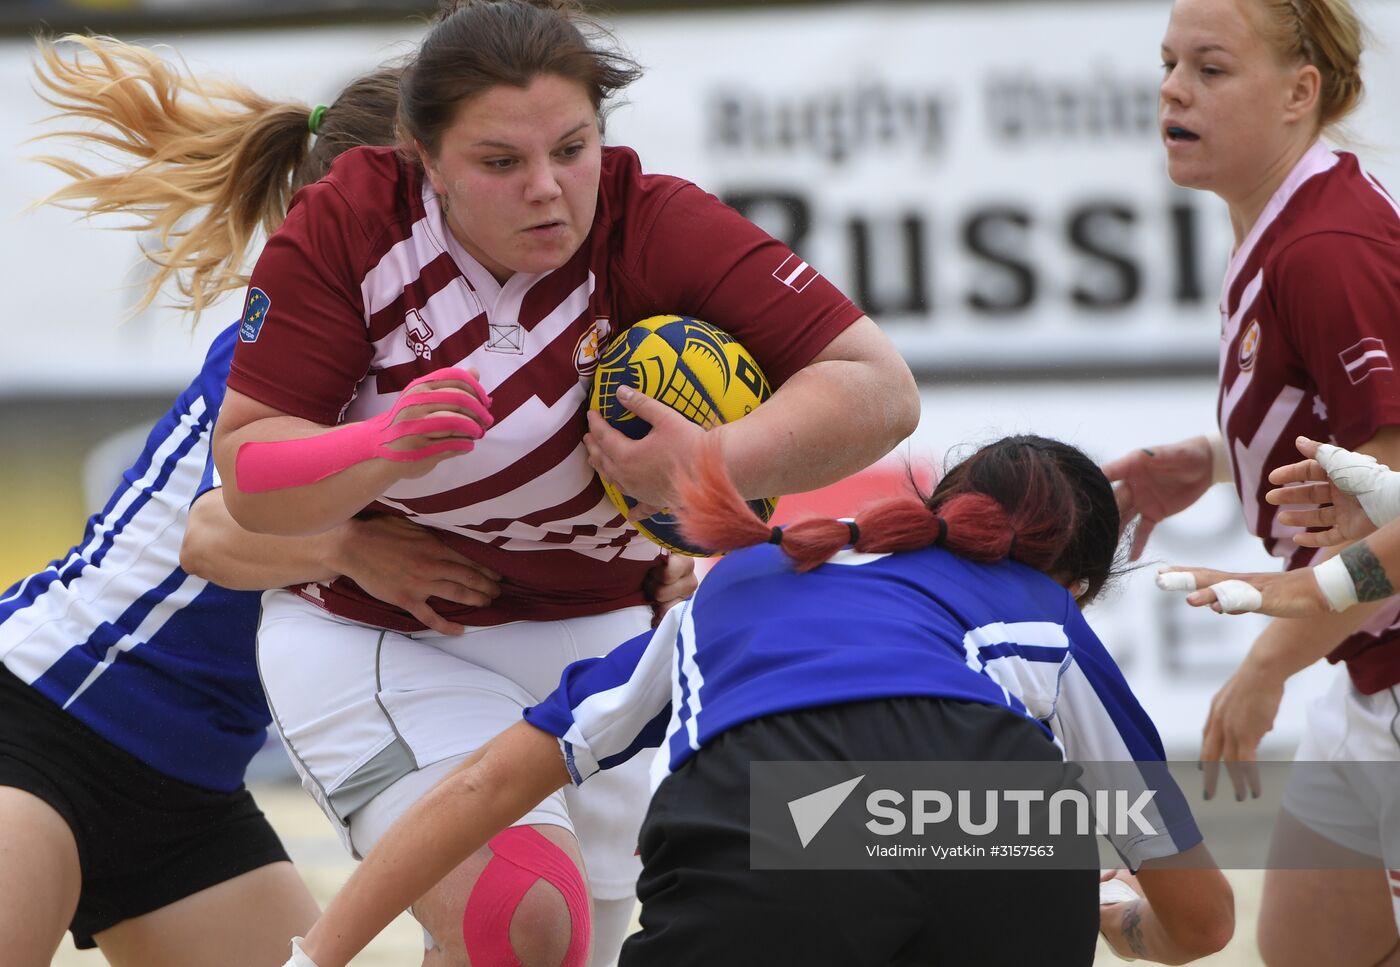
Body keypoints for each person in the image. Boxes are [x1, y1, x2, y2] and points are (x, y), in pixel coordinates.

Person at [201, 2, 919, 964]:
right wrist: (376, 449)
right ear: (425, 157)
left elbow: (879, 388)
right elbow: (243, 480)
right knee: (529, 917)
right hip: (394, 641)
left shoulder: (654, 218)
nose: (548, 190)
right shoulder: (352, 222)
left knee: (558, 944)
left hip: (607, 647)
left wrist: (713, 462)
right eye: (501, 162)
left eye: (573, 148)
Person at [5, 36, 697, 967]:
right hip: (43, 716)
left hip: (189, 789)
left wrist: (655, 555)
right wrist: (347, 550)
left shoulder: (508, 354)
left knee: (498, 924)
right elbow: (210, 535)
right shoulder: (292, 366)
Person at [273, 434, 1234, 967]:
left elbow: (488, 783)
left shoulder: (741, 583)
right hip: (992, 822)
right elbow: (1203, 922)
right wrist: (1117, 915)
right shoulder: (1043, 619)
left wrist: (319, 956)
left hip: (777, 815)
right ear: (1074, 583)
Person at [1103, 1, 1400, 963]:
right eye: (1168, 63)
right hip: (1368, 671)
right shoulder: (1290, 222)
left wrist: (1268, 663)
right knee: (1309, 950)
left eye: (1212, 69)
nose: (1172, 90)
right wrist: (1222, 452)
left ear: (1300, 92)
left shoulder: (1326, 250)